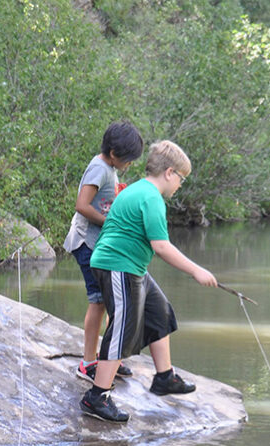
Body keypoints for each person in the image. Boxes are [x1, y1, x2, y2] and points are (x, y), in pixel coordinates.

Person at [81, 140, 218, 423]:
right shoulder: (151, 198)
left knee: (159, 312)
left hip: (132, 266)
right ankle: (97, 397)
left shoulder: (138, 190)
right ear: (169, 173)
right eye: (181, 178)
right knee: (122, 329)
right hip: (117, 265)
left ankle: (164, 377)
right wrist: (196, 271)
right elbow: (161, 246)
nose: (180, 184)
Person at [63, 121, 143, 385]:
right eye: (127, 159)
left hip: (99, 246)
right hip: (86, 243)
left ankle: (109, 357)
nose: (129, 164)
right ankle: (88, 363)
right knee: (98, 301)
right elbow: (82, 205)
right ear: (113, 153)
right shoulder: (99, 168)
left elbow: (103, 199)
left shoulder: (109, 168)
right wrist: (110, 223)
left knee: (112, 301)